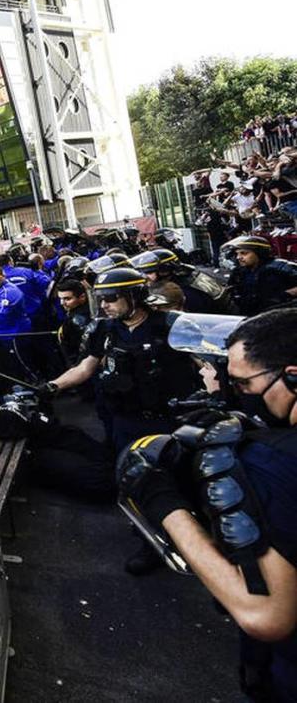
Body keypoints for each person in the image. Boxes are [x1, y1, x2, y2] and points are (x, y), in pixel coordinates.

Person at [120, 308, 297, 698]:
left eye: (241, 384)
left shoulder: (273, 463)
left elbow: (265, 615)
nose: (218, 384)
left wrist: (163, 503)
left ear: (292, 376)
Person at [41, 267, 200, 573]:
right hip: (125, 420)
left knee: (175, 481)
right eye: (101, 298)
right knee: (137, 482)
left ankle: (187, 539)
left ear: (134, 295)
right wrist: (53, 386)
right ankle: (151, 542)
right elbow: (86, 367)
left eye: (111, 298)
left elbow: (203, 363)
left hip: (170, 420)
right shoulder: (105, 330)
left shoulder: (169, 326)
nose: (104, 305)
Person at [225, 235, 297, 316]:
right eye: (237, 254)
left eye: (244, 253)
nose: (239, 257)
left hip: (279, 316)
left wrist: (286, 294)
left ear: (259, 253)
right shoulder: (239, 272)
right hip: (249, 316)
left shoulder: (280, 267)